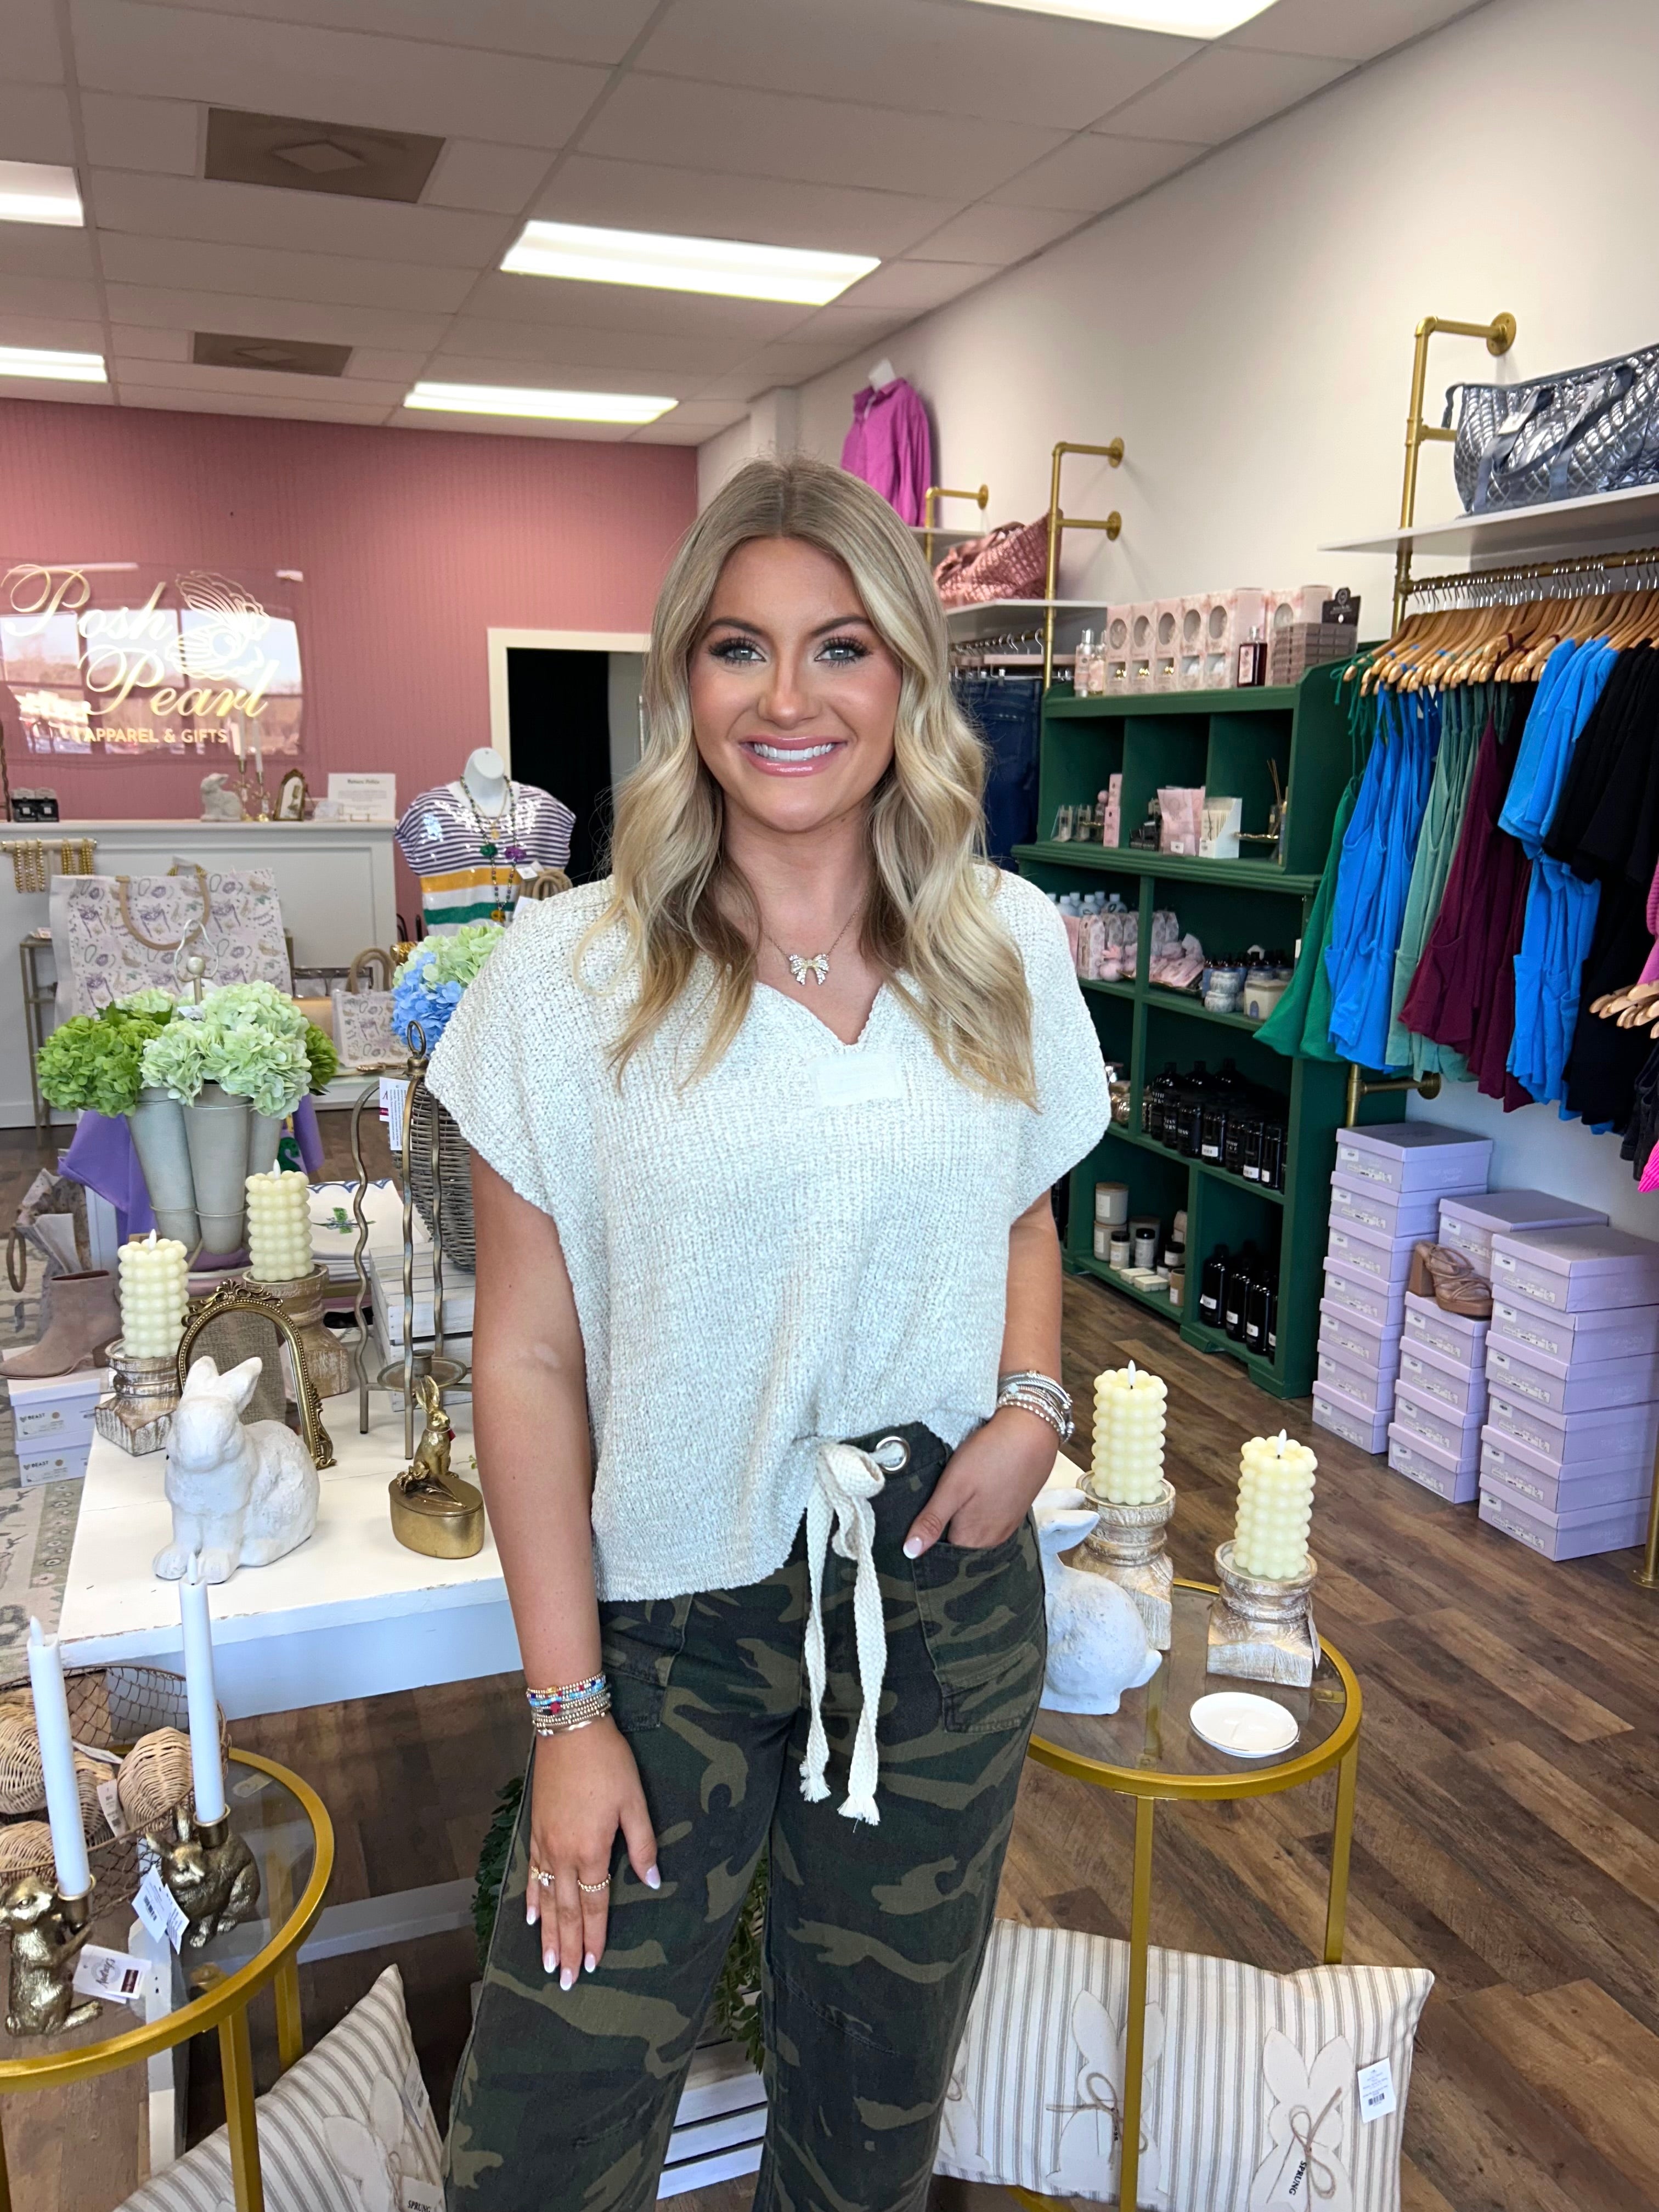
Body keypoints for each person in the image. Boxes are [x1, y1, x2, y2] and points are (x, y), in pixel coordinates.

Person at [430, 454, 1109, 2211]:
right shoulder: (566, 977)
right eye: (742, 647)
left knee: (869, 2131)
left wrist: (1034, 1404)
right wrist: (567, 1714)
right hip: (670, 1631)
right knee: (541, 2146)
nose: (790, 699)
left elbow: (1023, 1210)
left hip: (938, 1608)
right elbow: (527, 1358)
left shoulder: (1004, 943)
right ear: (685, 679)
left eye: (842, 648)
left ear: (907, 682)